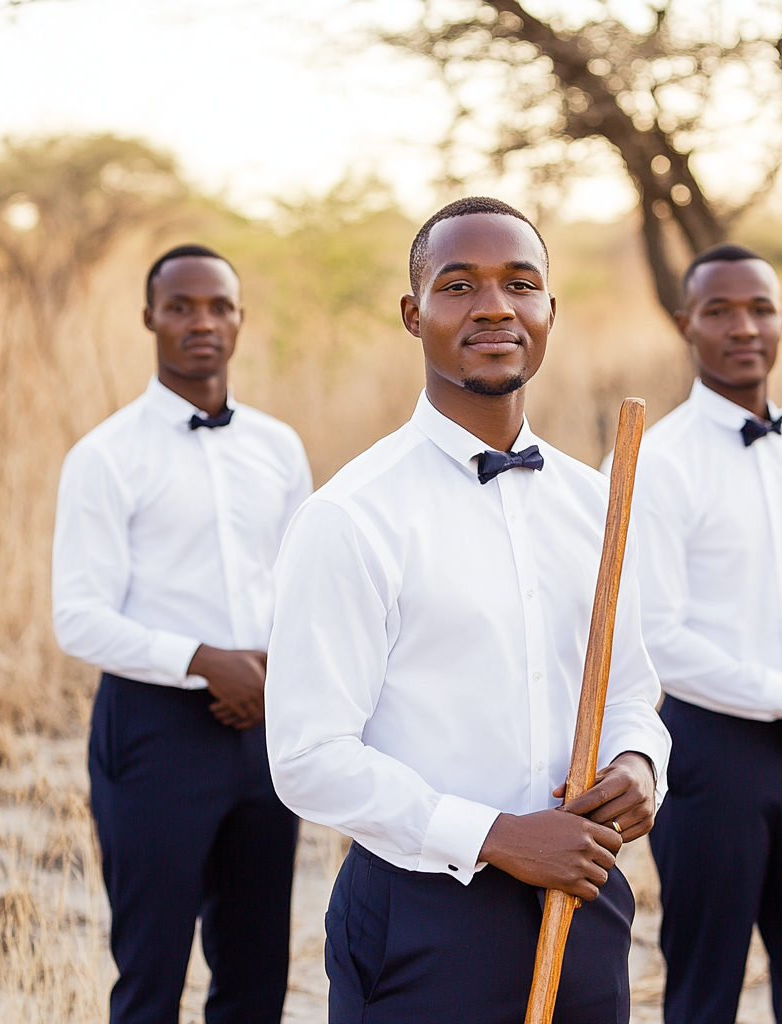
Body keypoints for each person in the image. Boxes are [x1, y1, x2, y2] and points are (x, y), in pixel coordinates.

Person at [264, 197, 671, 1024]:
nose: (494, 305)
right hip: (424, 920)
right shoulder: (352, 515)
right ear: (414, 315)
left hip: (584, 904)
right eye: (459, 286)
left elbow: (632, 688)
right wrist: (495, 835)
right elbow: (308, 757)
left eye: (521, 283)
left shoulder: (602, 502)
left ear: (550, 311)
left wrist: (638, 767)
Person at [52, 245, 312, 1024]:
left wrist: (270, 674)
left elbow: (301, 586)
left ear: (239, 320)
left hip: (265, 725)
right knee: (151, 969)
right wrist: (205, 663)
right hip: (155, 734)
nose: (202, 322)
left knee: (257, 966)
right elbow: (78, 616)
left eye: (218, 307)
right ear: (149, 319)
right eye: (181, 307)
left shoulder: (279, 446)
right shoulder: (104, 457)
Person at [630, 243, 782, 1024]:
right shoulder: (655, 461)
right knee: (707, 988)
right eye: (720, 311)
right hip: (712, 755)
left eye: (761, 308)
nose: (744, 327)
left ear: (780, 322)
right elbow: (658, 633)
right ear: (685, 325)